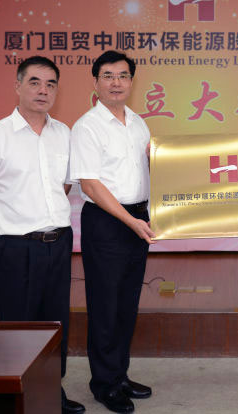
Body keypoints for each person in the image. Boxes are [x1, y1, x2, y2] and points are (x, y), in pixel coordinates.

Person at [0, 56, 85, 414]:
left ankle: (51, 391)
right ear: (17, 86)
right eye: (34, 82)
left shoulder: (64, 134)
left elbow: (64, 185)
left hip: (59, 243)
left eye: (50, 84)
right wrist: (9, 226)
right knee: (18, 325)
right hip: (17, 247)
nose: (43, 90)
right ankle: (18, 396)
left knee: (56, 322)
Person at [70, 51, 155, 414]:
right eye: (108, 76)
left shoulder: (138, 123)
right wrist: (129, 220)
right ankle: (104, 384)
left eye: (123, 76)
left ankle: (120, 375)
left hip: (138, 218)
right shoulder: (87, 126)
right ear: (96, 82)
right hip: (107, 222)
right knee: (105, 306)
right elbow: (90, 184)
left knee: (126, 303)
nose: (116, 83)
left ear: (132, 81)